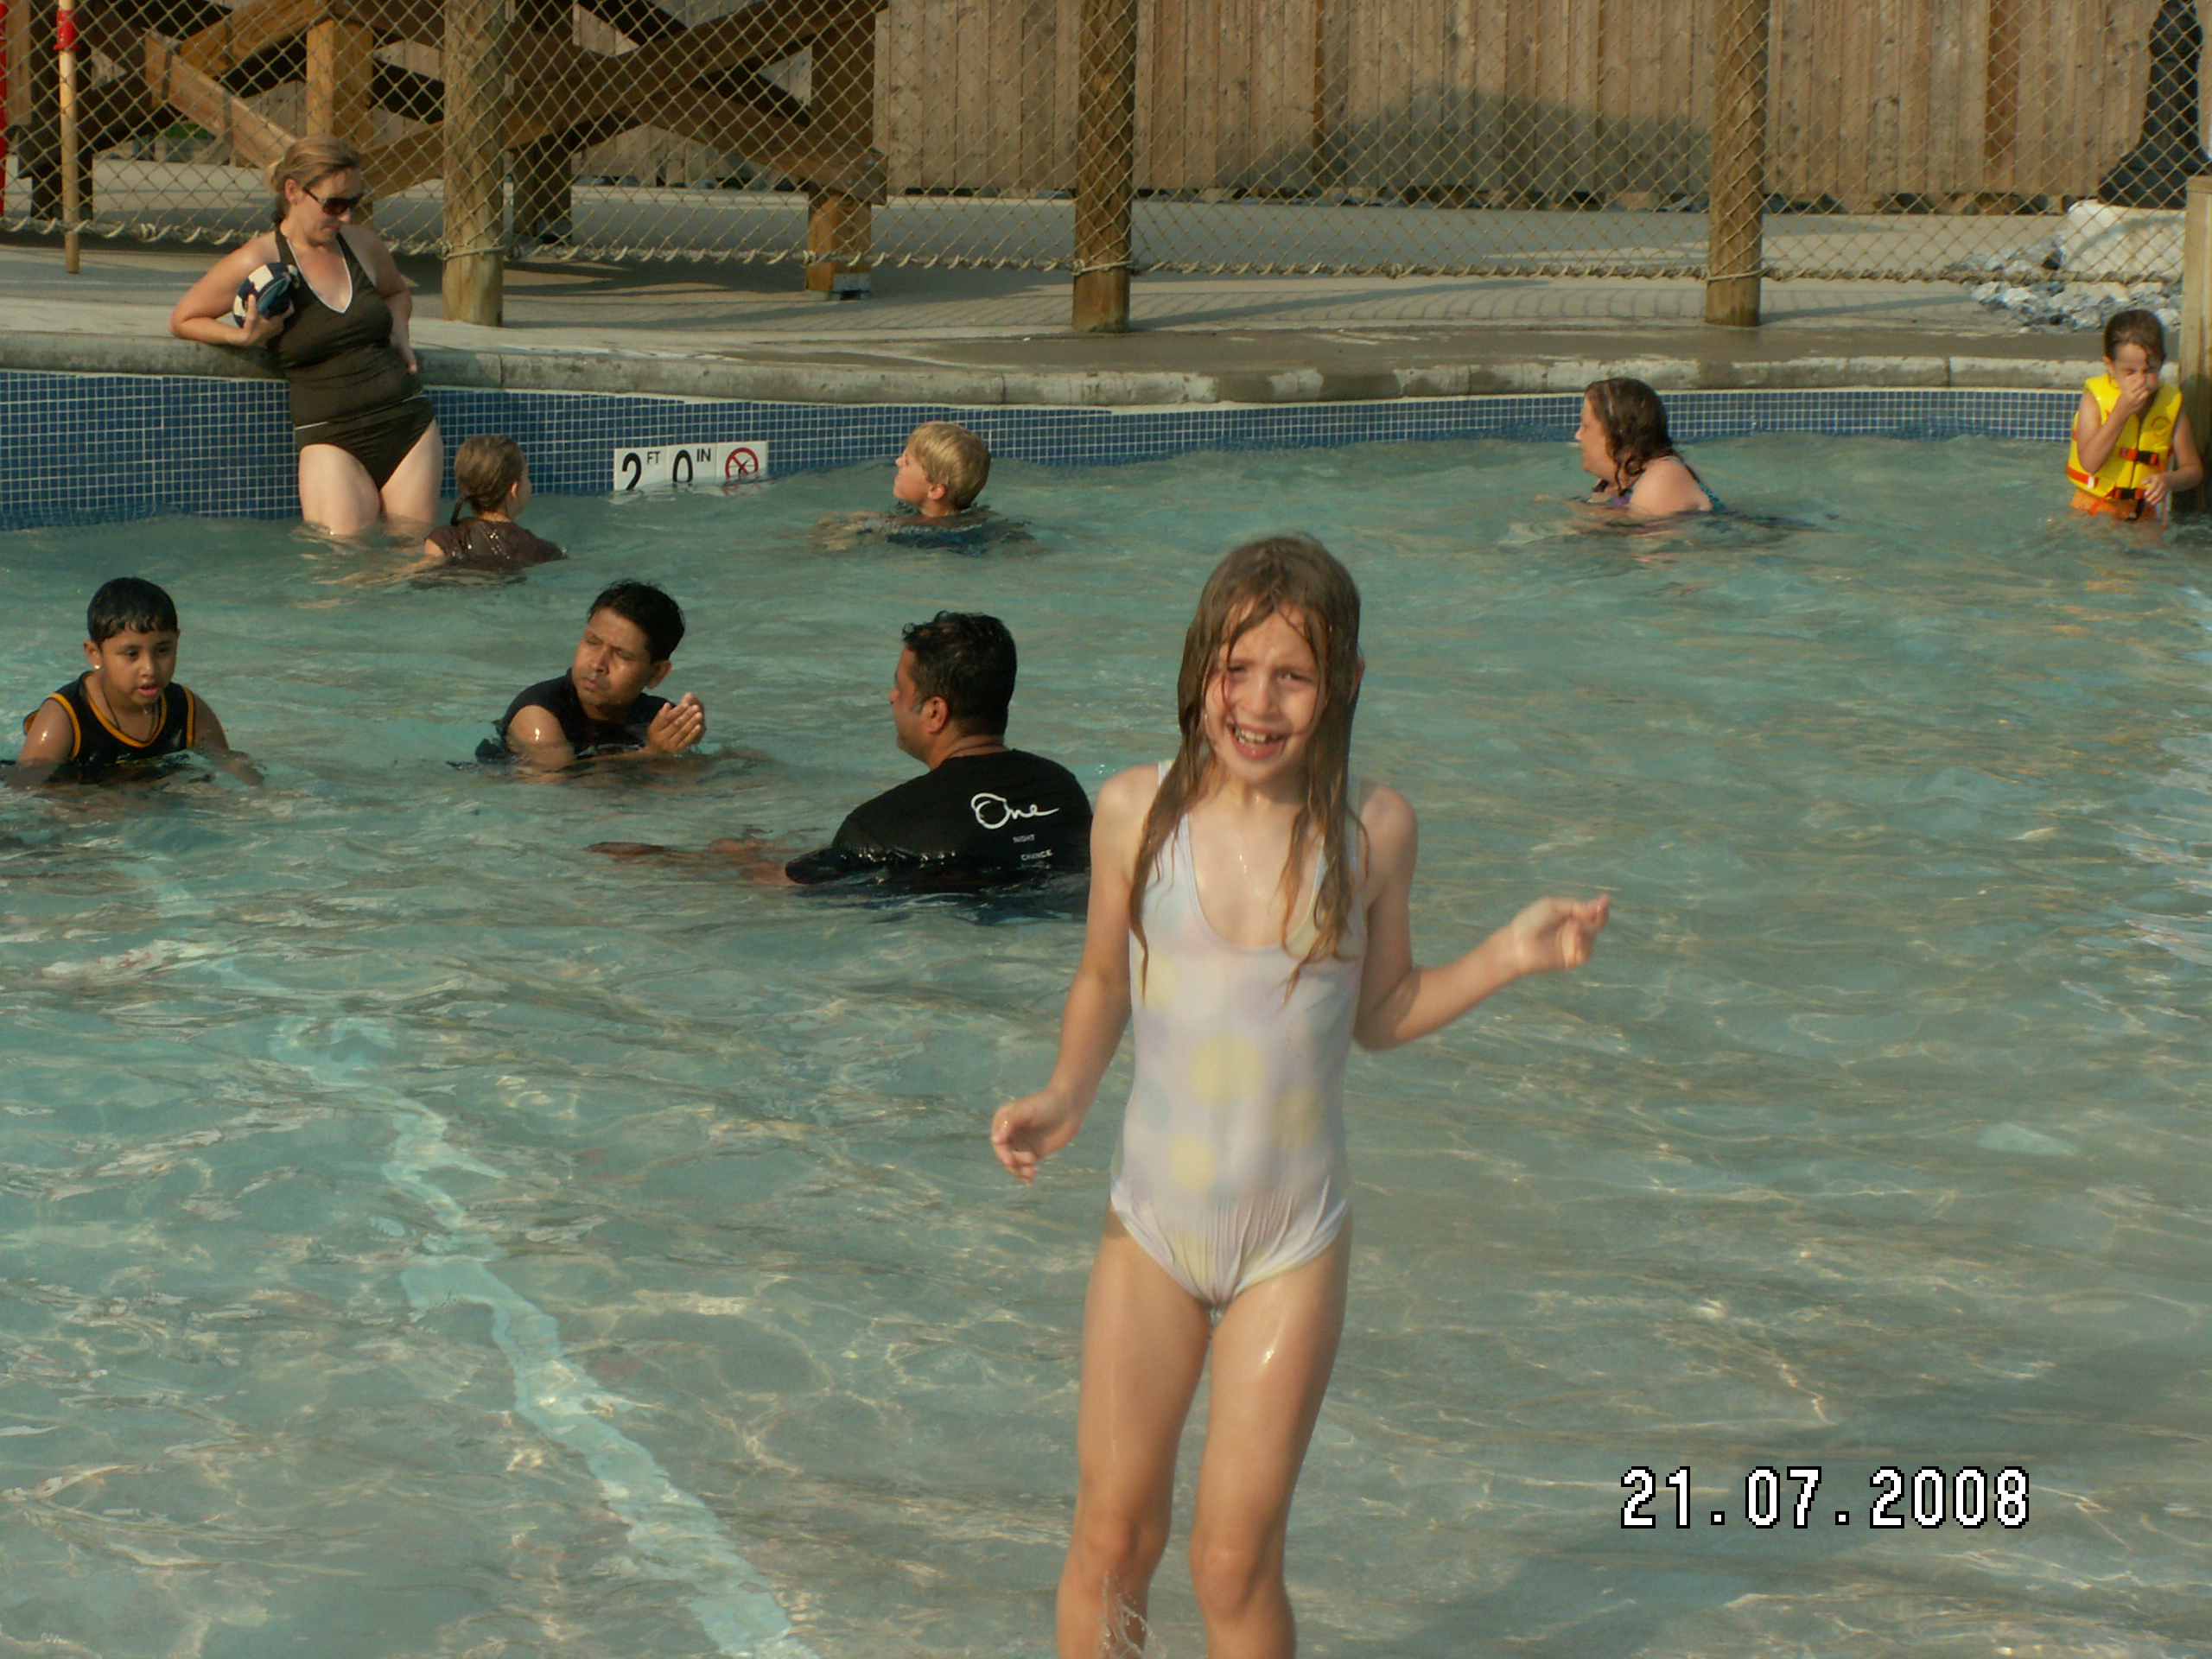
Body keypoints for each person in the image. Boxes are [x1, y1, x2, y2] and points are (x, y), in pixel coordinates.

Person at [989, 537, 1609, 1659]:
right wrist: (1065, 1093)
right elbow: (1102, 980)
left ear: (1344, 685)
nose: (1258, 703)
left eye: (1293, 676)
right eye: (1236, 669)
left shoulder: (1372, 832)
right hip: (1151, 1230)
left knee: (1231, 1561)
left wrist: (1508, 956)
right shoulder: (1137, 811)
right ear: (1199, 669)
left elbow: (1383, 1010)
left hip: (1290, 1245)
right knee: (1113, 1536)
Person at [168, 135, 439, 538]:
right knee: (342, 562)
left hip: (408, 425)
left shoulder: (362, 245)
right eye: (333, 204)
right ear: (293, 191)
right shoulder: (258, 259)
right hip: (331, 438)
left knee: (417, 557)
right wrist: (244, 338)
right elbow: (183, 318)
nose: (345, 216)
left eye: (353, 203)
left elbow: (397, 292)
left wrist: (398, 326)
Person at [777, 611, 1090, 882]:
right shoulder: (1063, 792)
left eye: (900, 687)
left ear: (935, 713)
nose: (892, 696)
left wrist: (747, 856)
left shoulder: (879, 827)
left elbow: (792, 889)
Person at [16, 577, 238, 780]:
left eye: (162, 650)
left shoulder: (187, 710)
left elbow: (231, 765)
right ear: (95, 654)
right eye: (132, 654)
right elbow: (24, 790)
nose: (150, 669)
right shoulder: (66, 716)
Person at [483, 581, 704, 769]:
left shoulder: (653, 717)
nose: (597, 664)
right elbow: (559, 784)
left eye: (621, 655)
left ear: (656, 674)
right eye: (592, 642)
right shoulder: (540, 713)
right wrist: (652, 753)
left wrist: (687, 733)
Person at [2067, 308, 2204, 520]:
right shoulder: (2093, 399)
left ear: (2162, 362)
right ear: (2110, 366)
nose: (2140, 380)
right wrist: (2119, 414)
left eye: (2149, 370)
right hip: (2093, 507)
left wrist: (2168, 480)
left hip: (2142, 511)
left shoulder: (2171, 404)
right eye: (2130, 372)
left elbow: (2193, 470)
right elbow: (2090, 463)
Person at [813, 423, 1014, 551]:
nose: (898, 461)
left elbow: (895, 527)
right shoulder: (977, 521)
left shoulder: (925, 535)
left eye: (907, 462)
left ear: (935, 490)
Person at [411, 435, 563, 578]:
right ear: (514, 490)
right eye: (527, 477)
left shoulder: (445, 540)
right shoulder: (542, 551)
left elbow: (421, 572)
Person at [1577, 378, 1713, 518]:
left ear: (1618, 433)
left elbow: (1646, 531)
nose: (1578, 435)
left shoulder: (1662, 477)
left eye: (1586, 426)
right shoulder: (1613, 480)